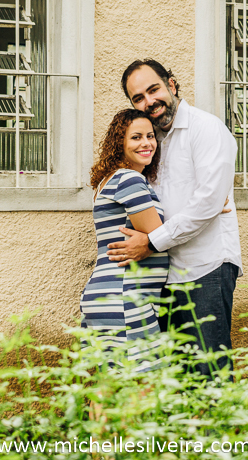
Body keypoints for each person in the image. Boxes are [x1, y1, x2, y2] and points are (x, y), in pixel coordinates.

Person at [107, 59, 242, 378]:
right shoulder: (149, 141)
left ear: (172, 84)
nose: (148, 101)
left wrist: (151, 242)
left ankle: (219, 429)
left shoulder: (206, 128)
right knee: (176, 378)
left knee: (209, 372)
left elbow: (207, 202)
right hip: (164, 276)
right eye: (138, 98)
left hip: (205, 268)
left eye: (153, 90)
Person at [79, 109, 170, 372]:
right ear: (120, 143)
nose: (146, 143)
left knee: (108, 389)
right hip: (125, 296)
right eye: (136, 137)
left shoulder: (109, 181)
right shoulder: (129, 179)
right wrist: (206, 208)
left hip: (108, 295)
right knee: (139, 391)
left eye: (151, 136)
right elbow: (159, 235)